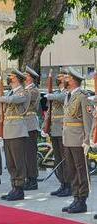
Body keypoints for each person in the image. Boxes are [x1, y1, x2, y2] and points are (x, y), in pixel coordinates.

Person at [61, 67, 92, 214]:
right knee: (71, 169)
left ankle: (82, 200)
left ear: (73, 80)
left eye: (68, 78)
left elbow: (88, 120)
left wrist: (87, 140)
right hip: (68, 137)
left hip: (79, 137)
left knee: (81, 170)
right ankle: (75, 197)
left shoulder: (82, 96)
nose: (65, 79)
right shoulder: (69, 95)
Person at [0, 69, 29, 201]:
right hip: (8, 130)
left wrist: (3, 97)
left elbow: (16, 100)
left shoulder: (23, 92)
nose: (10, 78)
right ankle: (14, 186)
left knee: (18, 161)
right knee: (10, 162)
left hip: (17, 130)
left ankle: (20, 188)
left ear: (18, 79)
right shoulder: (9, 92)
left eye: (12, 76)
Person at [42, 69, 72, 197]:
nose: (59, 79)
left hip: (63, 130)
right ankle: (62, 184)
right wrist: (45, 127)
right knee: (58, 159)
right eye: (58, 77)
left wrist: (49, 96)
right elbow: (49, 112)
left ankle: (69, 185)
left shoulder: (67, 93)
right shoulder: (55, 93)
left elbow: (61, 98)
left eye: (62, 77)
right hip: (54, 129)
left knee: (66, 159)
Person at [23, 66, 41, 191]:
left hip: (30, 123)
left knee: (30, 153)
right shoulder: (25, 90)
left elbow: (25, 100)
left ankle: (33, 179)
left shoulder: (33, 91)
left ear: (31, 77)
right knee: (24, 153)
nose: (24, 77)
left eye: (26, 75)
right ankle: (27, 177)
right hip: (23, 124)